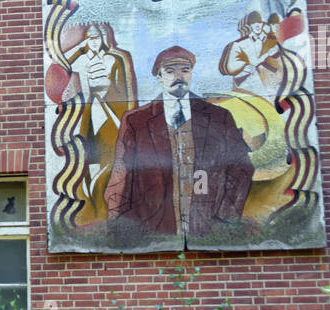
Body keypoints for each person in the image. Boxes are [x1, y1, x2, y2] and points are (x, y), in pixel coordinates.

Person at [105, 45, 254, 240]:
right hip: (152, 227)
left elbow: (241, 169)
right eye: (170, 71)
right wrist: (120, 223)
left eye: (185, 70)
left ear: (191, 74)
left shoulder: (219, 117)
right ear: (159, 77)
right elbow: (121, 173)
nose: (179, 77)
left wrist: (225, 219)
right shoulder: (136, 121)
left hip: (207, 226)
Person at [57, 22, 136, 224]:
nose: (93, 42)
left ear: (104, 38)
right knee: (89, 162)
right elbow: (64, 61)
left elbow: (127, 90)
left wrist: (130, 120)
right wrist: (82, 46)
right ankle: (95, 211)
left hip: (112, 113)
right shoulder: (82, 60)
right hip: (92, 114)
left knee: (113, 160)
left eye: (97, 37)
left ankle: (108, 211)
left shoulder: (116, 58)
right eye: (90, 38)